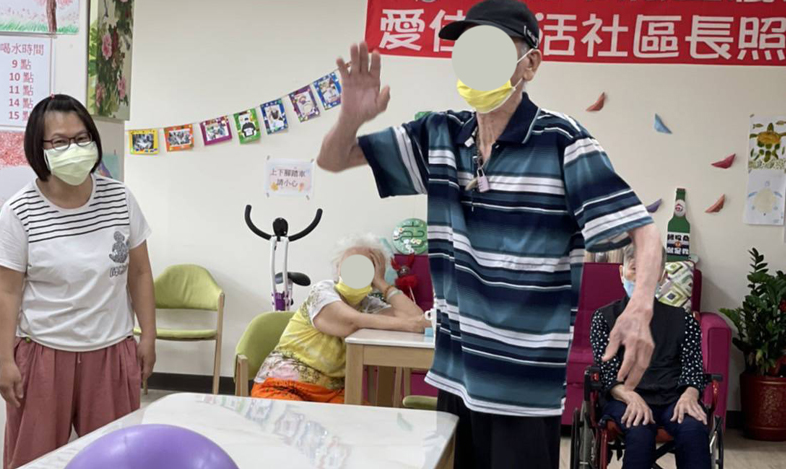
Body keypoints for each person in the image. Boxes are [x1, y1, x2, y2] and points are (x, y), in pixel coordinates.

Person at [316, 1, 663, 467]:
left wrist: (640, 307)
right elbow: (333, 159)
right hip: (456, 376)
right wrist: (351, 118)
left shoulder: (564, 141)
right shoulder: (439, 135)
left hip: (523, 387)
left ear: (530, 64)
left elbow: (643, 229)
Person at [0, 94, 156, 469]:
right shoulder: (19, 211)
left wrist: (148, 334)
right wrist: (4, 360)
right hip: (43, 355)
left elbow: (140, 272)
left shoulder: (120, 198)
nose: (74, 149)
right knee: (33, 460)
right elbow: (7, 291)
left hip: (111, 351)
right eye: (60, 141)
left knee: (116, 459)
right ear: (39, 148)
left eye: (82, 138)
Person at [251, 233, 429, 403]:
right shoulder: (323, 291)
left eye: (368, 266)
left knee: (365, 421)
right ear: (338, 267)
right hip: (282, 385)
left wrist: (382, 284)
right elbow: (350, 322)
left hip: (330, 394)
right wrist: (408, 324)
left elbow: (416, 318)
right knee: (297, 421)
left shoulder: (368, 304)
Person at [590, 245, 710, 469]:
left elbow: (693, 368)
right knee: (639, 430)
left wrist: (690, 395)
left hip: (673, 397)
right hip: (623, 397)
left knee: (693, 428)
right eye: (635, 269)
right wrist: (630, 397)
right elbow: (607, 372)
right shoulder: (604, 318)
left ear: (662, 276)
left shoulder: (684, 320)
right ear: (622, 272)